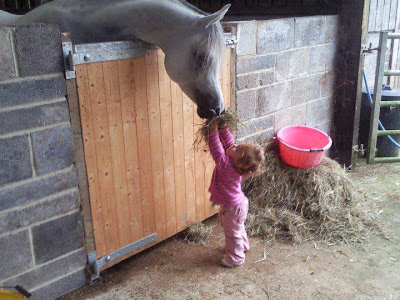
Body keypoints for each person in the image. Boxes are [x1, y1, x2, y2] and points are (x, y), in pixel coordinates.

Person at [208, 120, 265, 267]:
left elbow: (216, 148)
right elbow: (229, 143)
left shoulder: (226, 165)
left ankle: (236, 258)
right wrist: (223, 127)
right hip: (239, 204)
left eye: (237, 149)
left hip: (233, 208)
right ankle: (243, 246)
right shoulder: (235, 163)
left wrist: (213, 130)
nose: (234, 145)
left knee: (232, 234)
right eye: (237, 146)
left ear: (238, 161)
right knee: (238, 228)